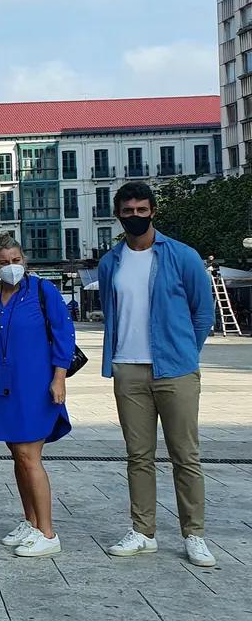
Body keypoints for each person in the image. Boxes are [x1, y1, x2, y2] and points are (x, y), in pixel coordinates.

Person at [98, 182, 215, 567]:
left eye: (142, 210)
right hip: (128, 369)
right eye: (128, 211)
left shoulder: (182, 256)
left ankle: (194, 534)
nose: (135, 216)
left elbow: (203, 313)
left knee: (185, 456)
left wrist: (184, 353)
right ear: (117, 214)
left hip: (175, 370)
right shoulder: (110, 262)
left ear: (153, 212)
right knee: (138, 456)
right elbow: (113, 313)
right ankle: (142, 531)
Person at [0, 234, 73, 558]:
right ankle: (30, 522)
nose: (11, 267)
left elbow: (63, 336)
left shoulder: (43, 291)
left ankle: (48, 531)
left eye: (16, 260)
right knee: (17, 455)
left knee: (30, 456)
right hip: (2, 386)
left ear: (24, 260)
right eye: (4, 262)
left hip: (36, 385)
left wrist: (59, 378)